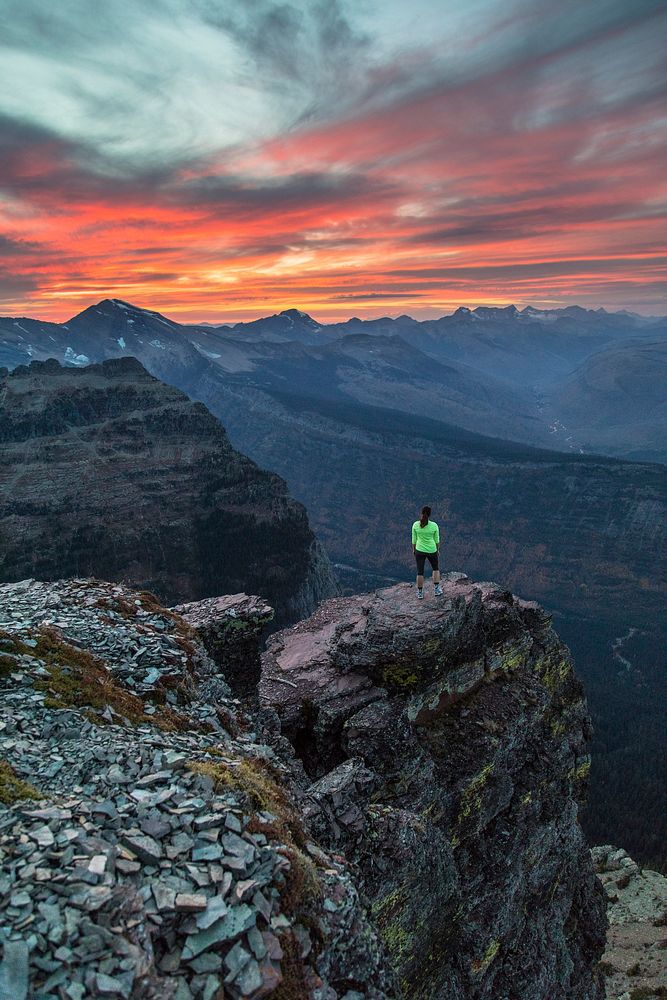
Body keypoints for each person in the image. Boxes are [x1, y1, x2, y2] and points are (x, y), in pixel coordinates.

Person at [412, 505, 442, 600]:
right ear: (429, 514)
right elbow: (437, 540)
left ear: (421, 513)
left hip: (419, 550)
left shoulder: (415, 525)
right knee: (435, 569)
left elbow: (414, 540)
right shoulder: (434, 525)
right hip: (432, 550)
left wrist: (414, 550)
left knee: (420, 572)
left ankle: (420, 593)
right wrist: (437, 550)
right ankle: (436, 590)